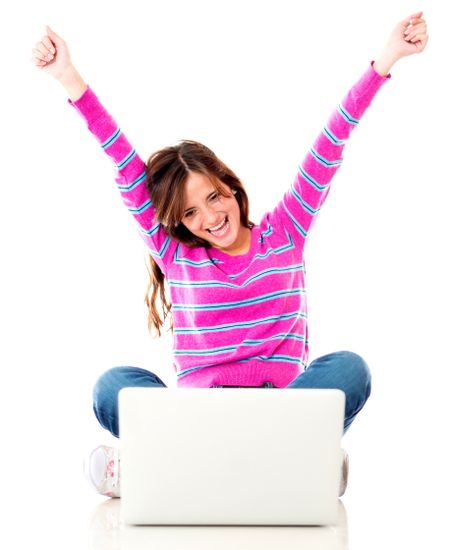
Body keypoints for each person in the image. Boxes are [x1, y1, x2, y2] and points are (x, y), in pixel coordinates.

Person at [31, 13, 428, 499]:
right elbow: (124, 164)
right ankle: (294, 464)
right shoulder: (176, 253)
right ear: (177, 222)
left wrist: (385, 60)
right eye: (191, 212)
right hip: (203, 417)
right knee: (112, 386)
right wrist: (68, 78)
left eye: (214, 197)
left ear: (230, 187)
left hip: (278, 409)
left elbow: (331, 142)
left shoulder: (285, 231)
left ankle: (170, 469)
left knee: (351, 368)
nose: (210, 217)